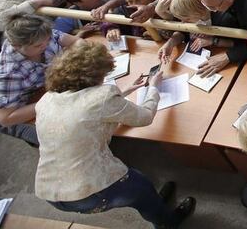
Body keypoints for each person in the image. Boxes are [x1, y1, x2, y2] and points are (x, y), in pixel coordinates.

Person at [35, 41, 196, 226]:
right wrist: (154, 88)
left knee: (141, 186)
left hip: (49, 190)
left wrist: (124, 91)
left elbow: (83, 110)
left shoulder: (46, 99)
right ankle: (168, 222)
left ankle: (154, 202)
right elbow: (144, 117)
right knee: (142, 190)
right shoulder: (103, 96)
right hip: (88, 190)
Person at [0, 15, 77, 145]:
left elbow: (76, 42)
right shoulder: (8, 74)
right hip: (19, 112)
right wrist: (53, 101)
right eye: (39, 45)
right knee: (62, 141)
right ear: (16, 46)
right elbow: (5, 119)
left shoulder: (40, 34)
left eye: (48, 40)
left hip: (45, 89)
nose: (46, 45)